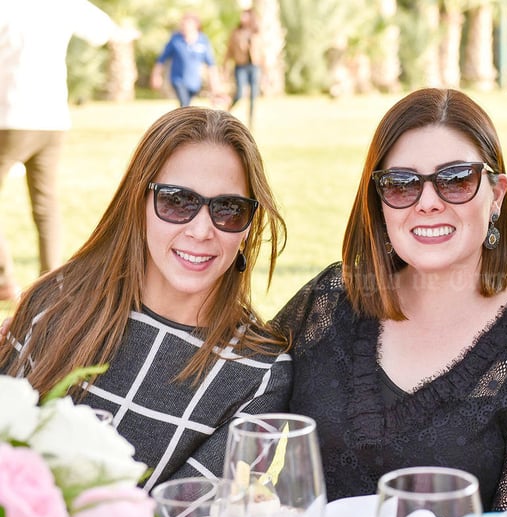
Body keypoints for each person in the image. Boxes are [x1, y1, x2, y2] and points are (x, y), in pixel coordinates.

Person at [271, 88, 507, 517]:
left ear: (496, 195)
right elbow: (227, 409)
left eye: (456, 180)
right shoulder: (330, 300)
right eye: (402, 184)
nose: (428, 202)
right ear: (379, 201)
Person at [0, 106, 292, 492]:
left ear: (249, 224)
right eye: (177, 201)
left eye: (228, 209)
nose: (202, 230)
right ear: (139, 203)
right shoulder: (55, 303)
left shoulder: (259, 375)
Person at [0, 0, 137, 303]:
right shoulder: (62, 5)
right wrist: (125, 33)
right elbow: (105, 30)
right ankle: (48, 286)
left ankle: (4, 279)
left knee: (44, 204)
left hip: (10, 117)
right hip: (52, 118)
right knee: (45, 204)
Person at [150, 12, 221, 108]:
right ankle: (181, 121)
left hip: (194, 83)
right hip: (178, 80)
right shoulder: (175, 39)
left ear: (195, 25)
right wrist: (156, 75)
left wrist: (215, 87)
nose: (183, 26)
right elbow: (161, 59)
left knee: (185, 105)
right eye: (182, 24)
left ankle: (180, 119)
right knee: (184, 104)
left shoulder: (203, 40)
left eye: (186, 24)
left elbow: (211, 64)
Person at [224, 8, 263, 128]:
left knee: (253, 95)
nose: (242, 18)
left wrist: (266, 71)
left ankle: (251, 122)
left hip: (254, 66)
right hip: (241, 66)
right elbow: (229, 50)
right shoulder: (236, 32)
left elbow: (263, 52)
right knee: (240, 93)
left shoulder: (256, 32)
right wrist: (225, 66)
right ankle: (227, 113)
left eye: (245, 16)